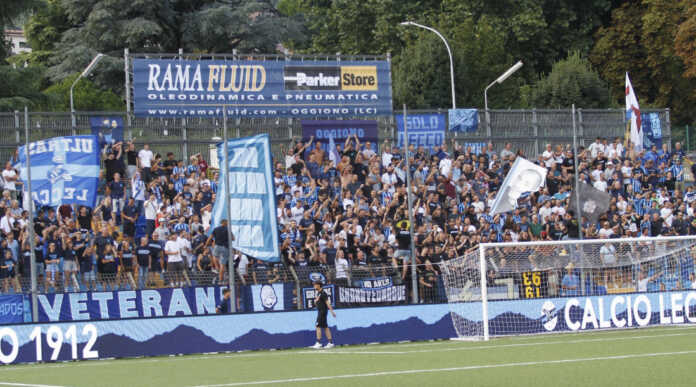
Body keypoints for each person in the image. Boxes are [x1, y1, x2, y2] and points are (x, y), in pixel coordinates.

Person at [310, 281, 336, 349]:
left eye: (315, 285)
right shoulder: (319, 293)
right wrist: (316, 302)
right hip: (320, 311)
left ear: (319, 285)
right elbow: (318, 302)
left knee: (317, 326)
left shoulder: (323, 293)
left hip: (322, 312)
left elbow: (327, 303)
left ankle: (318, 343)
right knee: (325, 327)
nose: (314, 286)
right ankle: (330, 343)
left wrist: (332, 312)